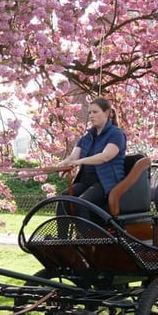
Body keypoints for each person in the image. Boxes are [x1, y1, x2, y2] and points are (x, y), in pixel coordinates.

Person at [56, 97, 126, 234]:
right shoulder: (87, 137)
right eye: (89, 113)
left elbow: (105, 156)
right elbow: (73, 157)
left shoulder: (116, 134)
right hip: (87, 181)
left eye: (95, 112)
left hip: (106, 183)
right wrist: (63, 164)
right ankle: (62, 241)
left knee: (82, 203)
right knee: (63, 198)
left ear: (106, 113)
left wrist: (79, 162)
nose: (91, 116)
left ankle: (86, 242)